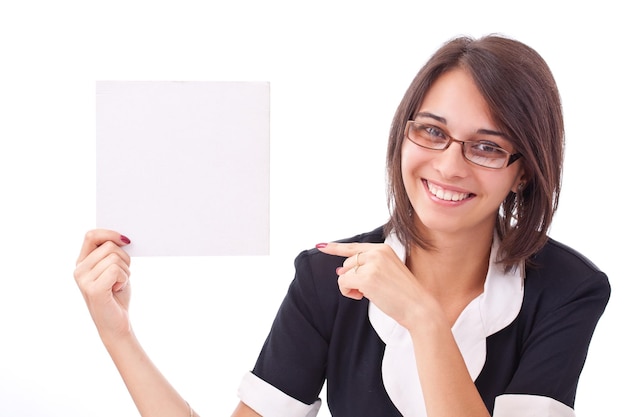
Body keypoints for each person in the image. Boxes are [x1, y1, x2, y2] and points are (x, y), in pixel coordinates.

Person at [74, 34, 610, 417]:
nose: (449, 165)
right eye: (431, 131)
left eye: (487, 146)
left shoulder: (567, 289)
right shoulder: (325, 277)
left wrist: (423, 318)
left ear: (523, 173)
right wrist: (116, 333)